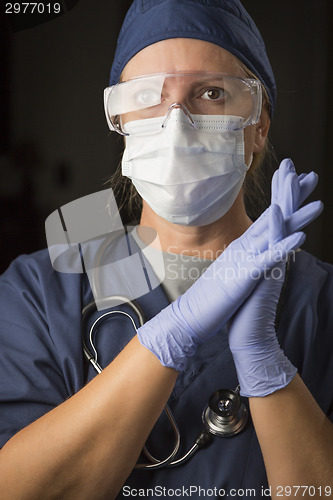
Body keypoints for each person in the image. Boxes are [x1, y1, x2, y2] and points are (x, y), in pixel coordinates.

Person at [0, 1, 332, 499]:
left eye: (212, 93)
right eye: (149, 97)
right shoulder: (37, 295)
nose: (176, 123)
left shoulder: (322, 304)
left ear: (258, 126)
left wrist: (263, 362)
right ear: (121, 120)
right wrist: (170, 336)